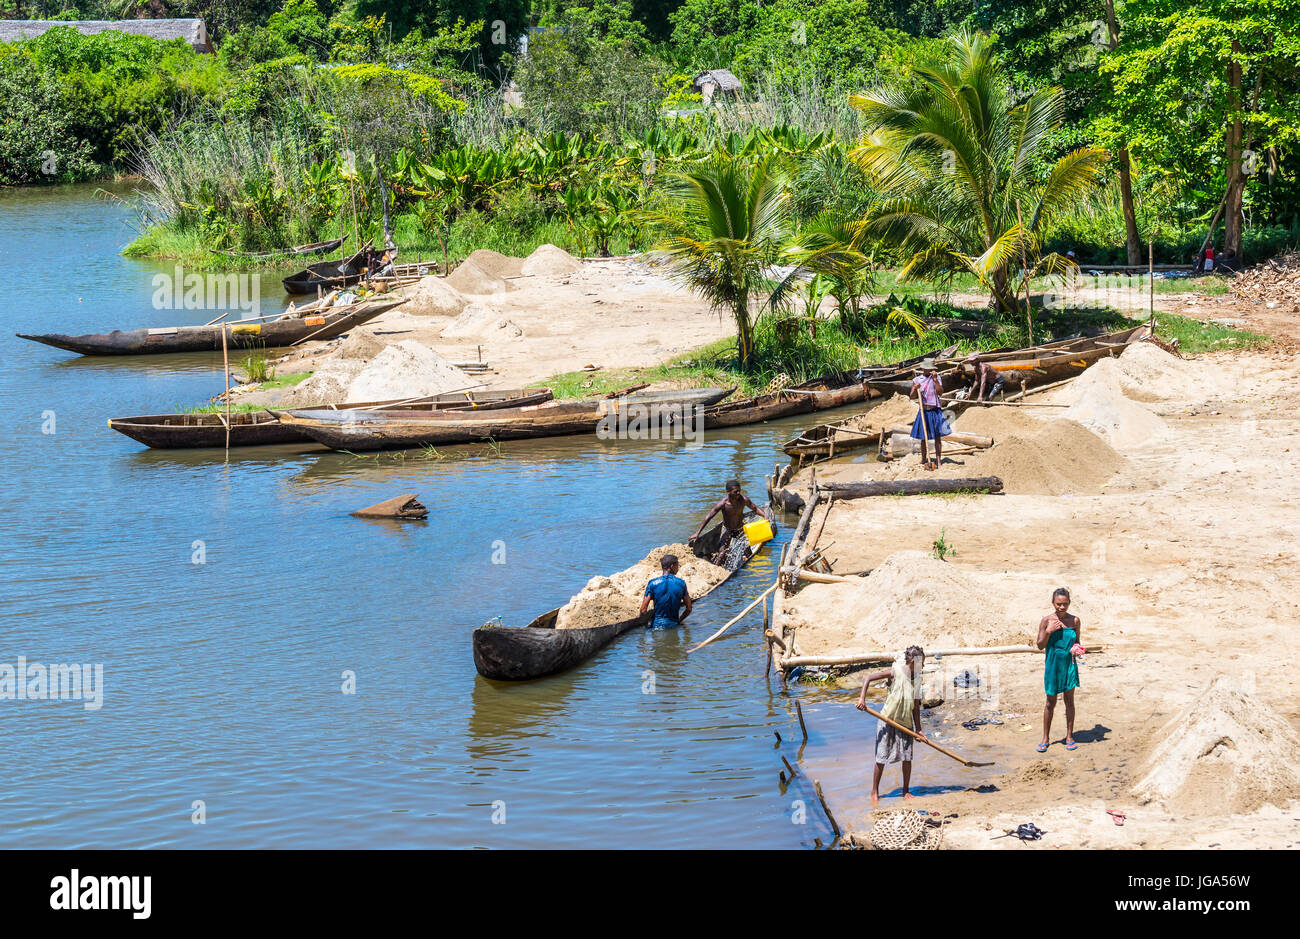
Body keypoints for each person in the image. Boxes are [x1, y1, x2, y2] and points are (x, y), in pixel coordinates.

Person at [856, 646, 927, 803]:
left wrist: (919, 730)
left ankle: (906, 791)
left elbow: (915, 707)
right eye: (921, 663)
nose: (922, 666)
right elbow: (868, 677)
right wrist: (862, 699)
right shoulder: (896, 671)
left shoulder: (917, 680)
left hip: (906, 723)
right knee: (881, 758)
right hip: (887, 720)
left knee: (907, 757)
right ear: (912, 661)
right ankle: (874, 791)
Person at [1036, 587, 1081, 752]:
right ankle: (1045, 738)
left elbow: (1078, 641)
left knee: (1069, 701)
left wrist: (1077, 648)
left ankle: (1069, 736)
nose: (1061, 607)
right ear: (1053, 603)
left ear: (1069, 603)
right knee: (1050, 702)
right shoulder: (1046, 620)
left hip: (1069, 665)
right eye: (1058, 604)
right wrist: (1048, 631)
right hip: (1053, 666)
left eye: (1065, 604)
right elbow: (1040, 645)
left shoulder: (1075, 621)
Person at [690, 480, 770, 566]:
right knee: (721, 552)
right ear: (728, 492)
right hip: (727, 530)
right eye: (736, 491)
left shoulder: (743, 500)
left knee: (747, 550)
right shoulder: (723, 504)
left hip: (740, 528)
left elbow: (755, 508)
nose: (738, 493)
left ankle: (748, 566)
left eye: (739, 490)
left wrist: (765, 516)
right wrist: (697, 533)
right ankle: (717, 568)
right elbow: (709, 517)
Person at [909, 361, 951, 470]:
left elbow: (940, 392)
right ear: (923, 369)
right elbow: (912, 396)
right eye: (926, 369)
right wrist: (915, 388)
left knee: (938, 437)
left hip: (935, 410)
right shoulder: (917, 380)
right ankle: (924, 458)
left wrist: (936, 380)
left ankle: (938, 460)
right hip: (924, 411)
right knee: (924, 438)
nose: (929, 370)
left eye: (930, 369)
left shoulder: (936, 378)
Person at [640, 554, 693, 629]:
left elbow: (643, 610)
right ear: (672, 566)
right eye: (677, 565)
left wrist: (647, 625)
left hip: (656, 627)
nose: (678, 568)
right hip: (674, 626)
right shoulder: (681, 583)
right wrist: (679, 621)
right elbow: (689, 608)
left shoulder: (653, 583)